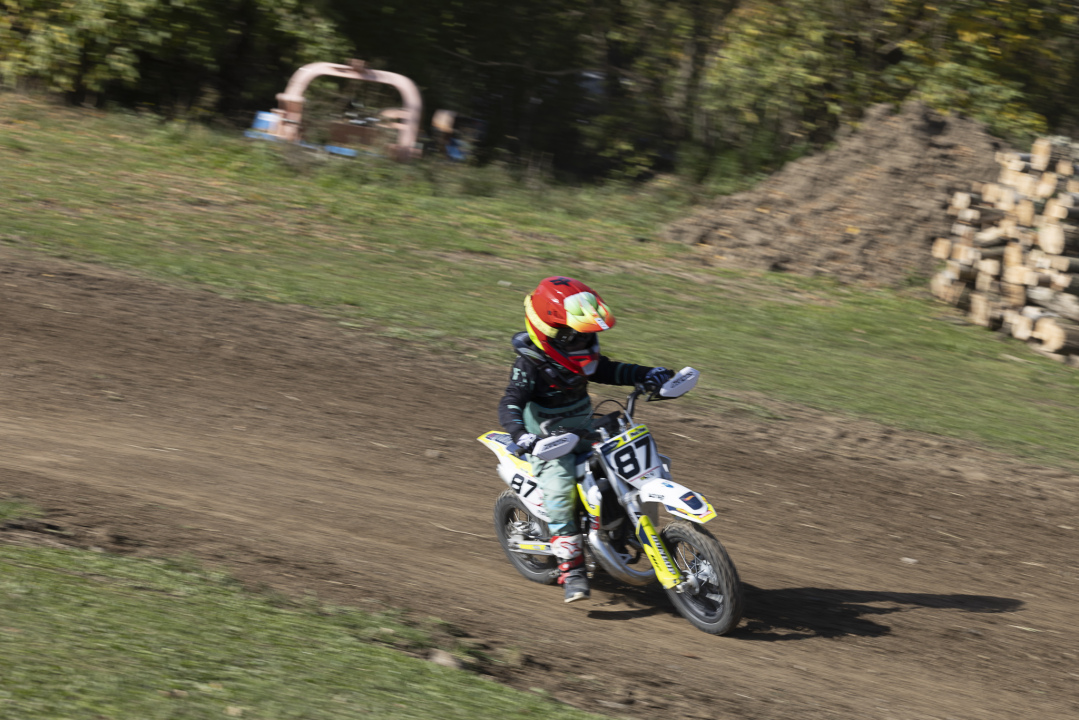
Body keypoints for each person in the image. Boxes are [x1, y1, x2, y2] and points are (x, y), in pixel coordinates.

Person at [497, 276, 674, 603]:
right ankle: (571, 565)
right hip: (548, 442)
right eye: (577, 336)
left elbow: (611, 370)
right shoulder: (529, 365)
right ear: (552, 333)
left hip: (585, 429)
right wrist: (523, 436)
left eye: (589, 335)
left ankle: (623, 524)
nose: (585, 343)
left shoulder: (580, 359)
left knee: (631, 459)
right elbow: (510, 402)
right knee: (559, 486)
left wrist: (647, 374)